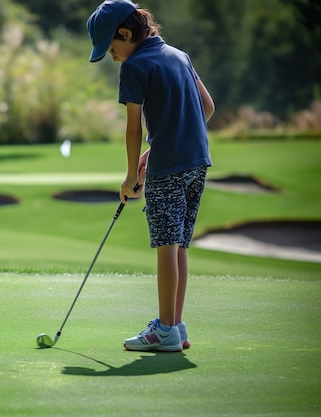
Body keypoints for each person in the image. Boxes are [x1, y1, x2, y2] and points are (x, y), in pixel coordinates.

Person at [87, 0, 215, 352]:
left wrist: (131, 176)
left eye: (112, 48)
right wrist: (155, 152)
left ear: (125, 34)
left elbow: (133, 130)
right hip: (197, 163)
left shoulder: (135, 66)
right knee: (179, 246)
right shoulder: (180, 56)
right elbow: (207, 107)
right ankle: (176, 324)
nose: (114, 57)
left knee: (165, 246)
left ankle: (165, 330)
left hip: (168, 170)